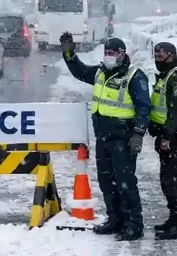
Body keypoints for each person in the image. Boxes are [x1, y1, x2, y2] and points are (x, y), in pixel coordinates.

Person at [59, 33, 151, 241]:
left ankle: (134, 225)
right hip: (103, 137)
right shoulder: (101, 72)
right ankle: (115, 220)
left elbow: (144, 108)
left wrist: (138, 134)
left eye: (112, 53)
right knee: (106, 182)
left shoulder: (134, 76)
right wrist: (69, 54)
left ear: (122, 54)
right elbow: (81, 72)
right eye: (106, 52)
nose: (108, 56)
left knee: (125, 182)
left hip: (123, 138)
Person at [149, 41, 177, 240]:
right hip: (171, 133)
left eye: (161, 57)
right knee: (167, 178)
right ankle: (174, 220)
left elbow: (175, 111)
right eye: (156, 56)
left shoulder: (176, 76)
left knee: (172, 178)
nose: (157, 60)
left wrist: (167, 137)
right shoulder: (168, 73)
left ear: (171, 55)